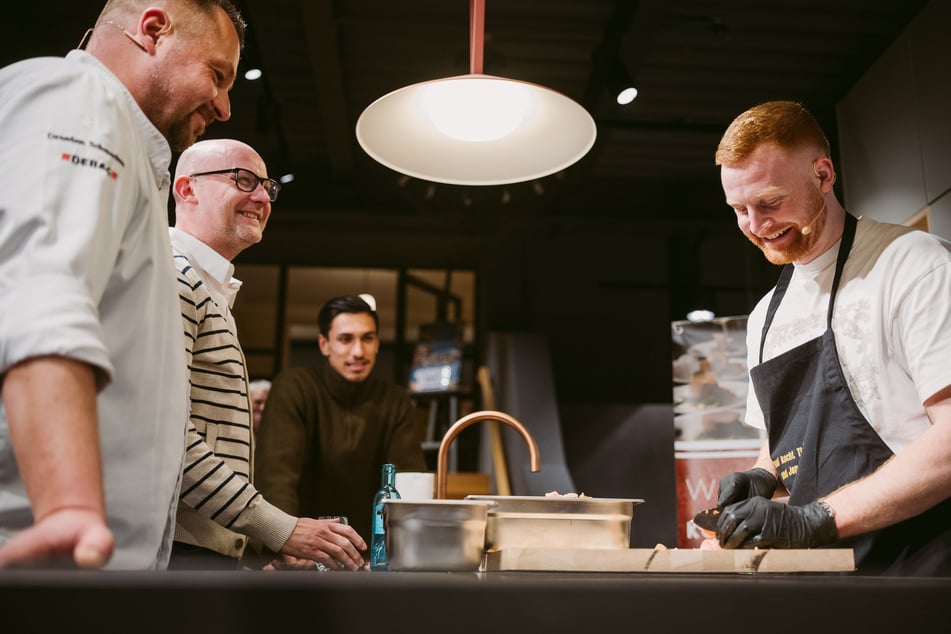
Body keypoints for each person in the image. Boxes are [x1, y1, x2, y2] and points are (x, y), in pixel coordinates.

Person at [0, 0, 246, 570]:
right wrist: (67, 507)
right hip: (45, 553)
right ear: (154, 30)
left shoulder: (129, 149)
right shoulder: (81, 99)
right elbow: (41, 289)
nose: (226, 106)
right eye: (217, 74)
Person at [711, 100, 951, 575]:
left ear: (823, 175)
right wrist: (763, 477)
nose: (756, 226)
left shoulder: (913, 265)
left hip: (924, 569)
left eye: (770, 202)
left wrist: (815, 518)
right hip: (828, 581)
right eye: (739, 209)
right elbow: (784, 446)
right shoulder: (765, 317)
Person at [168, 138, 366, 571]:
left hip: (201, 553)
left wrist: (258, 544)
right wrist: (281, 529)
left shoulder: (207, 286)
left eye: (266, 186)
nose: (261, 197)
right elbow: (167, 441)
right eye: (243, 179)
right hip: (174, 556)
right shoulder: (173, 275)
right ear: (187, 189)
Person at [255, 295, 427, 546]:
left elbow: (408, 482)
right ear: (324, 344)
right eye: (346, 339)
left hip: (370, 554)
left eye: (368, 338)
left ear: (378, 343)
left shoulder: (394, 400)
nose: (358, 351)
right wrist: (283, 544)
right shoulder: (294, 387)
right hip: (297, 551)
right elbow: (277, 478)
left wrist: (406, 553)